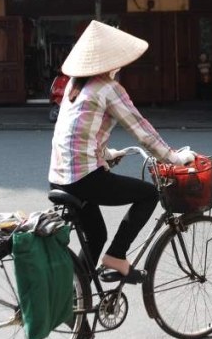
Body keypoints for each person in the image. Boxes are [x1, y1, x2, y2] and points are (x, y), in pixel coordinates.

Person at [48, 20, 195, 284]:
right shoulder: (109, 88)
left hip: (60, 176)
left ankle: (76, 304)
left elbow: (78, 132)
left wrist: (105, 155)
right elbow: (142, 131)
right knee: (149, 194)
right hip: (83, 178)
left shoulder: (74, 84)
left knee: (96, 235)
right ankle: (116, 257)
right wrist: (174, 158)